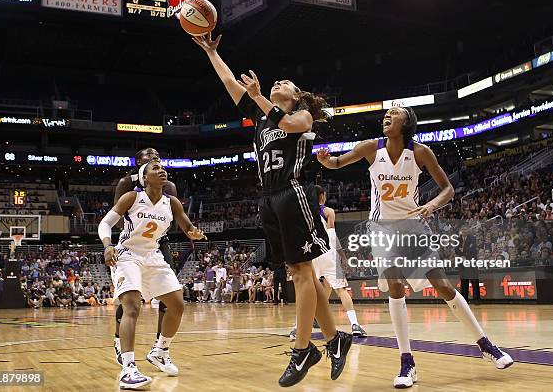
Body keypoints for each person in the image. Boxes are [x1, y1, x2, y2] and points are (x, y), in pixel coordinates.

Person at [194, 32, 352, 387]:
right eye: (276, 82)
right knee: (304, 275)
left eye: (285, 83)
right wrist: (212, 52)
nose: (278, 82)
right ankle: (335, 339)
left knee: (300, 273)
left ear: (295, 97)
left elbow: (287, 124)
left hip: (294, 192)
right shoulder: (262, 116)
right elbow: (228, 81)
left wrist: (262, 98)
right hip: (268, 197)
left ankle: (303, 350)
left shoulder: (303, 117)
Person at [317, 105, 513, 388]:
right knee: (396, 286)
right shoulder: (372, 147)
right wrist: (326, 161)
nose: (388, 116)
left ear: (407, 122)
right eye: (387, 113)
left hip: (413, 228)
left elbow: (448, 189)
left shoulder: (420, 153)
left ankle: (486, 345)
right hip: (382, 228)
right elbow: (336, 163)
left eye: (395, 113)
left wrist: (432, 205)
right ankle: (406, 362)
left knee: (443, 286)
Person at [100, 160, 206, 390]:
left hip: (153, 256)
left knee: (177, 304)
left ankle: (160, 351)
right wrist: (108, 245)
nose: (161, 170)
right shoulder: (131, 197)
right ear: (144, 178)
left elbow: (187, 227)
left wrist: (194, 233)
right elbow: (105, 223)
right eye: (155, 169)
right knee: (132, 307)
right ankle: (128, 368)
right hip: (127, 255)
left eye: (162, 167)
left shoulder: (172, 202)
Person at [112, 148, 179, 366]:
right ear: (138, 164)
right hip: (131, 242)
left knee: (171, 297)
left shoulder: (169, 186)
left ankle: (160, 349)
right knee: (130, 299)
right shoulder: (126, 184)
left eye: (158, 157)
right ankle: (118, 340)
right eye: (150, 158)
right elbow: (117, 216)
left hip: (158, 243)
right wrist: (134, 236)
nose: (156, 160)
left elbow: (173, 215)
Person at [290, 186, 367, 340]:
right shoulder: (328, 212)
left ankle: (296, 328)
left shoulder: (303, 213)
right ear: (323, 196)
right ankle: (355, 325)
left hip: (312, 255)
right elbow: (332, 237)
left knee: (306, 291)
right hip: (328, 254)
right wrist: (343, 257)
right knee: (341, 290)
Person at [457, 226, 480, 303]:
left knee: (474, 280)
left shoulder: (472, 238)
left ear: (468, 230)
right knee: (464, 281)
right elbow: (456, 249)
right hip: (462, 262)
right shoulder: (458, 239)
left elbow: (472, 248)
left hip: (471, 261)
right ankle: (464, 300)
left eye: (465, 229)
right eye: (462, 229)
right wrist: (462, 254)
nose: (464, 230)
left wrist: (464, 254)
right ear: (461, 231)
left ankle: (476, 299)